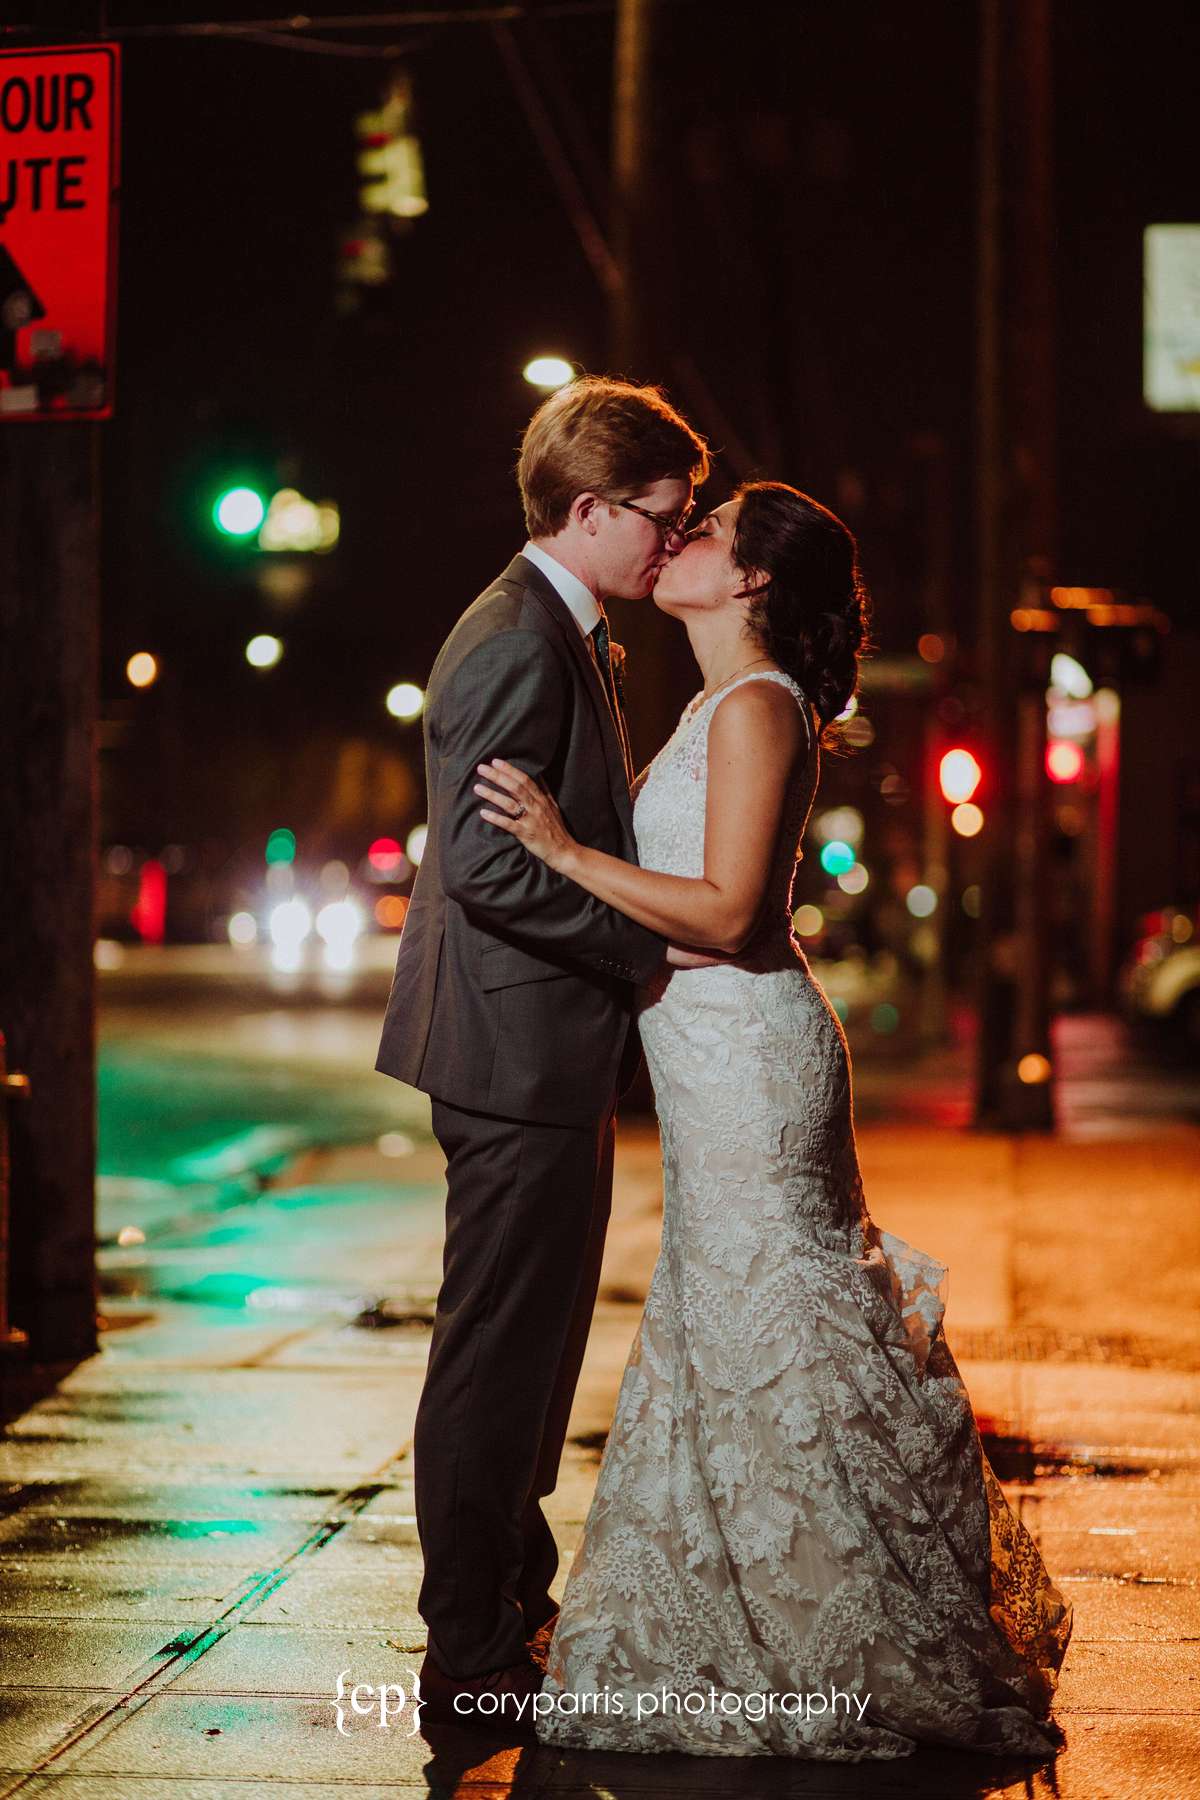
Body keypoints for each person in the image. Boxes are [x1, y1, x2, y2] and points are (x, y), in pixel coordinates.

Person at [473, 481, 1074, 1760]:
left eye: (711, 530)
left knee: (778, 1318)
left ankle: (831, 1633)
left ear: (752, 583)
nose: (680, 537)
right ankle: (737, 1625)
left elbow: (732, 912)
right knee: (723, 1315)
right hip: (705, 1055)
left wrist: (566, 850)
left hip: (749, 1054)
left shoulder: (756, 705)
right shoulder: (715, 702)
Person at [374, 375, 710, 1731]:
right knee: (496, 1358)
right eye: (662, 518)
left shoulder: (563, 628)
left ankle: (512, 1601)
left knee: (532, 1350)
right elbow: (491, 875)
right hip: (512, 1053)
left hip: (542, 1051)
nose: (674, 542)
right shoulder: (516, 638)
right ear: (589, 510)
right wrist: (648, 952)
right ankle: (468, 1658)